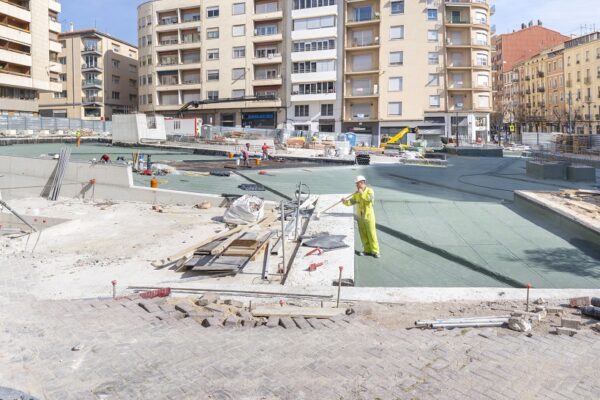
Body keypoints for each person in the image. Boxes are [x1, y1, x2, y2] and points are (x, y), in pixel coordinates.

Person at [342, 175, 380, 258]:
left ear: (362, 183)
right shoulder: (357, 194)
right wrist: (345, 201)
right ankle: (367, 250)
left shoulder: (370, 191)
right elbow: (351, 202)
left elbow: (369, 200)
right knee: (363, 235)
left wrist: (361, 193)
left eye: (357, 184)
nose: (356, 186)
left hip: (369, 217)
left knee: (371, 234)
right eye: (356, 184)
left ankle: (375, 251)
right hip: (360, 217)